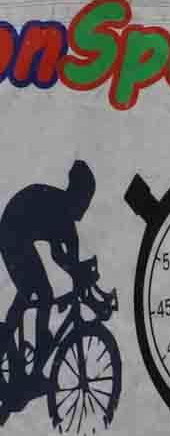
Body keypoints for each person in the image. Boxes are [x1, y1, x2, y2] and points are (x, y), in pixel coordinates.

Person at [1, 158, 94, 382]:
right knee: (40, 291)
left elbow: (66, 260)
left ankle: (14, 340)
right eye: (84, 201)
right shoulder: (59, 209)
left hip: (17, 232)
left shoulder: (69, 226)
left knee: (33, 291)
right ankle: (16, 341)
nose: (85, 207)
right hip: (11, 231)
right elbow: (62, 258)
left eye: (88, 202)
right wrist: (79, 275)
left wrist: (83, 278)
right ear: (75, 193)